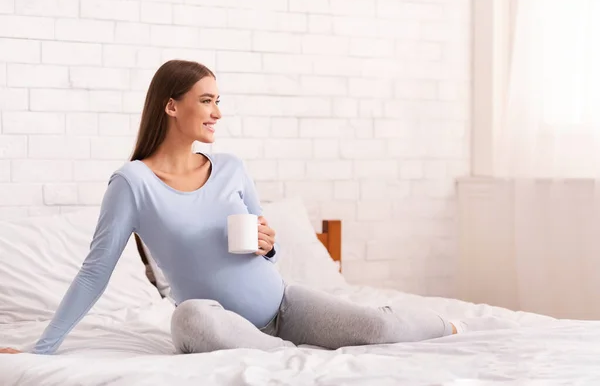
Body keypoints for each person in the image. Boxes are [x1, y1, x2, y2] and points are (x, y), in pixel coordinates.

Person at [0, 60, 517, 356]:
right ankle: (290, 363)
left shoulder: (230, 166)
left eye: (219, 101)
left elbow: (263, 247)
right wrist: (43, 348)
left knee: (376, 327)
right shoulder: (133, 182)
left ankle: (450, 328)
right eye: (207, 100)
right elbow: (94, 273)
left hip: (284, 305)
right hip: (217, 320)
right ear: (171, 105)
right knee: (190, 316)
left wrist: (269, 248)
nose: (217, 112)